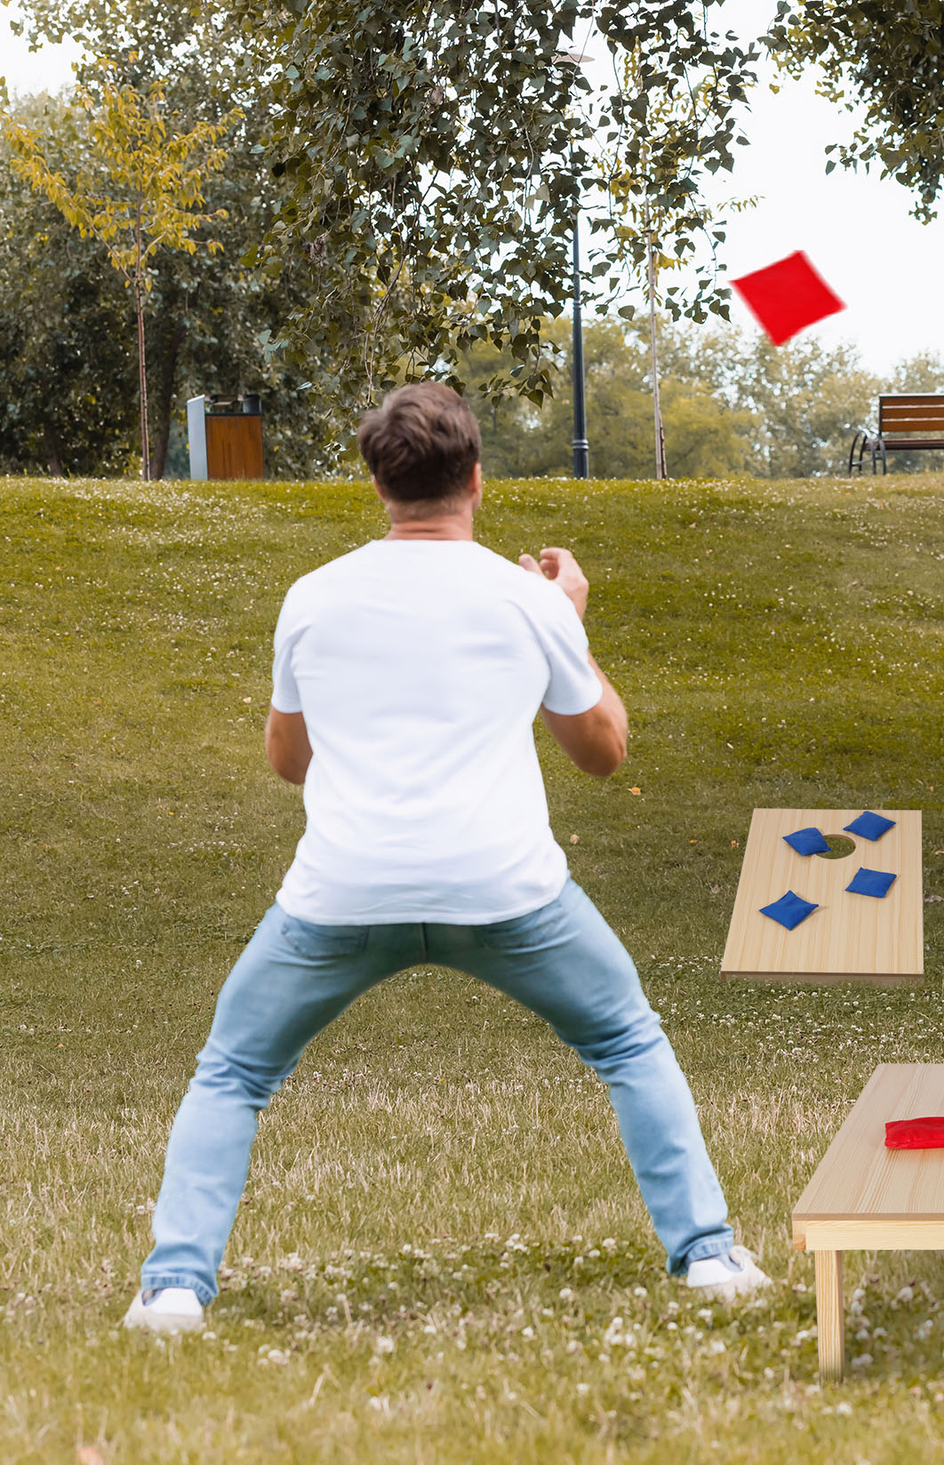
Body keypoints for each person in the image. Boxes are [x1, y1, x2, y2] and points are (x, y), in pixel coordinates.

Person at [125, 382, 768, 1334]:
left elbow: (288, 763)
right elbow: (604, 754)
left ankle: (174, 1289)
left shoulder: (313, 597)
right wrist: (569, 619)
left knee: (232, 1073)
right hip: (506, 892)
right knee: (628, 1043)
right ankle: (710, 1260)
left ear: (381, 483)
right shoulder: (529, 599)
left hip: (340, 895)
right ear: (476, 476)